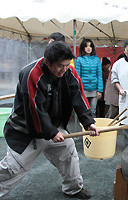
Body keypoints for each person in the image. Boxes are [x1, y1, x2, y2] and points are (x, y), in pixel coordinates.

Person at [0, 41, 99, 199]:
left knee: (68, 151)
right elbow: (34, 109)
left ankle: (73, 188)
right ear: (48, 62)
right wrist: (51, 132)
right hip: (26, 130)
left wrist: (88, 122)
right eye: (60, 65)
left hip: (52, 126)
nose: (64, 69)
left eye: (67, 64)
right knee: (12, 168)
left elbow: (78, 96)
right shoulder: (32, 74)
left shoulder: (69, 71)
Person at [76, 39, 103, 118]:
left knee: (93, 111)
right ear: (83, 48)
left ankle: (93, 129)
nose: (88, 48)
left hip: (94, 90)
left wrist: (100, 90)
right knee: (84, 110)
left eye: (90, 46)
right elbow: (78, 76)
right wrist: (79, 90)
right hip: (83, 90)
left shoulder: (97, 60)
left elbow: (99, 76)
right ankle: (84, 128)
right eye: (86, 46)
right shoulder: (79, 60)